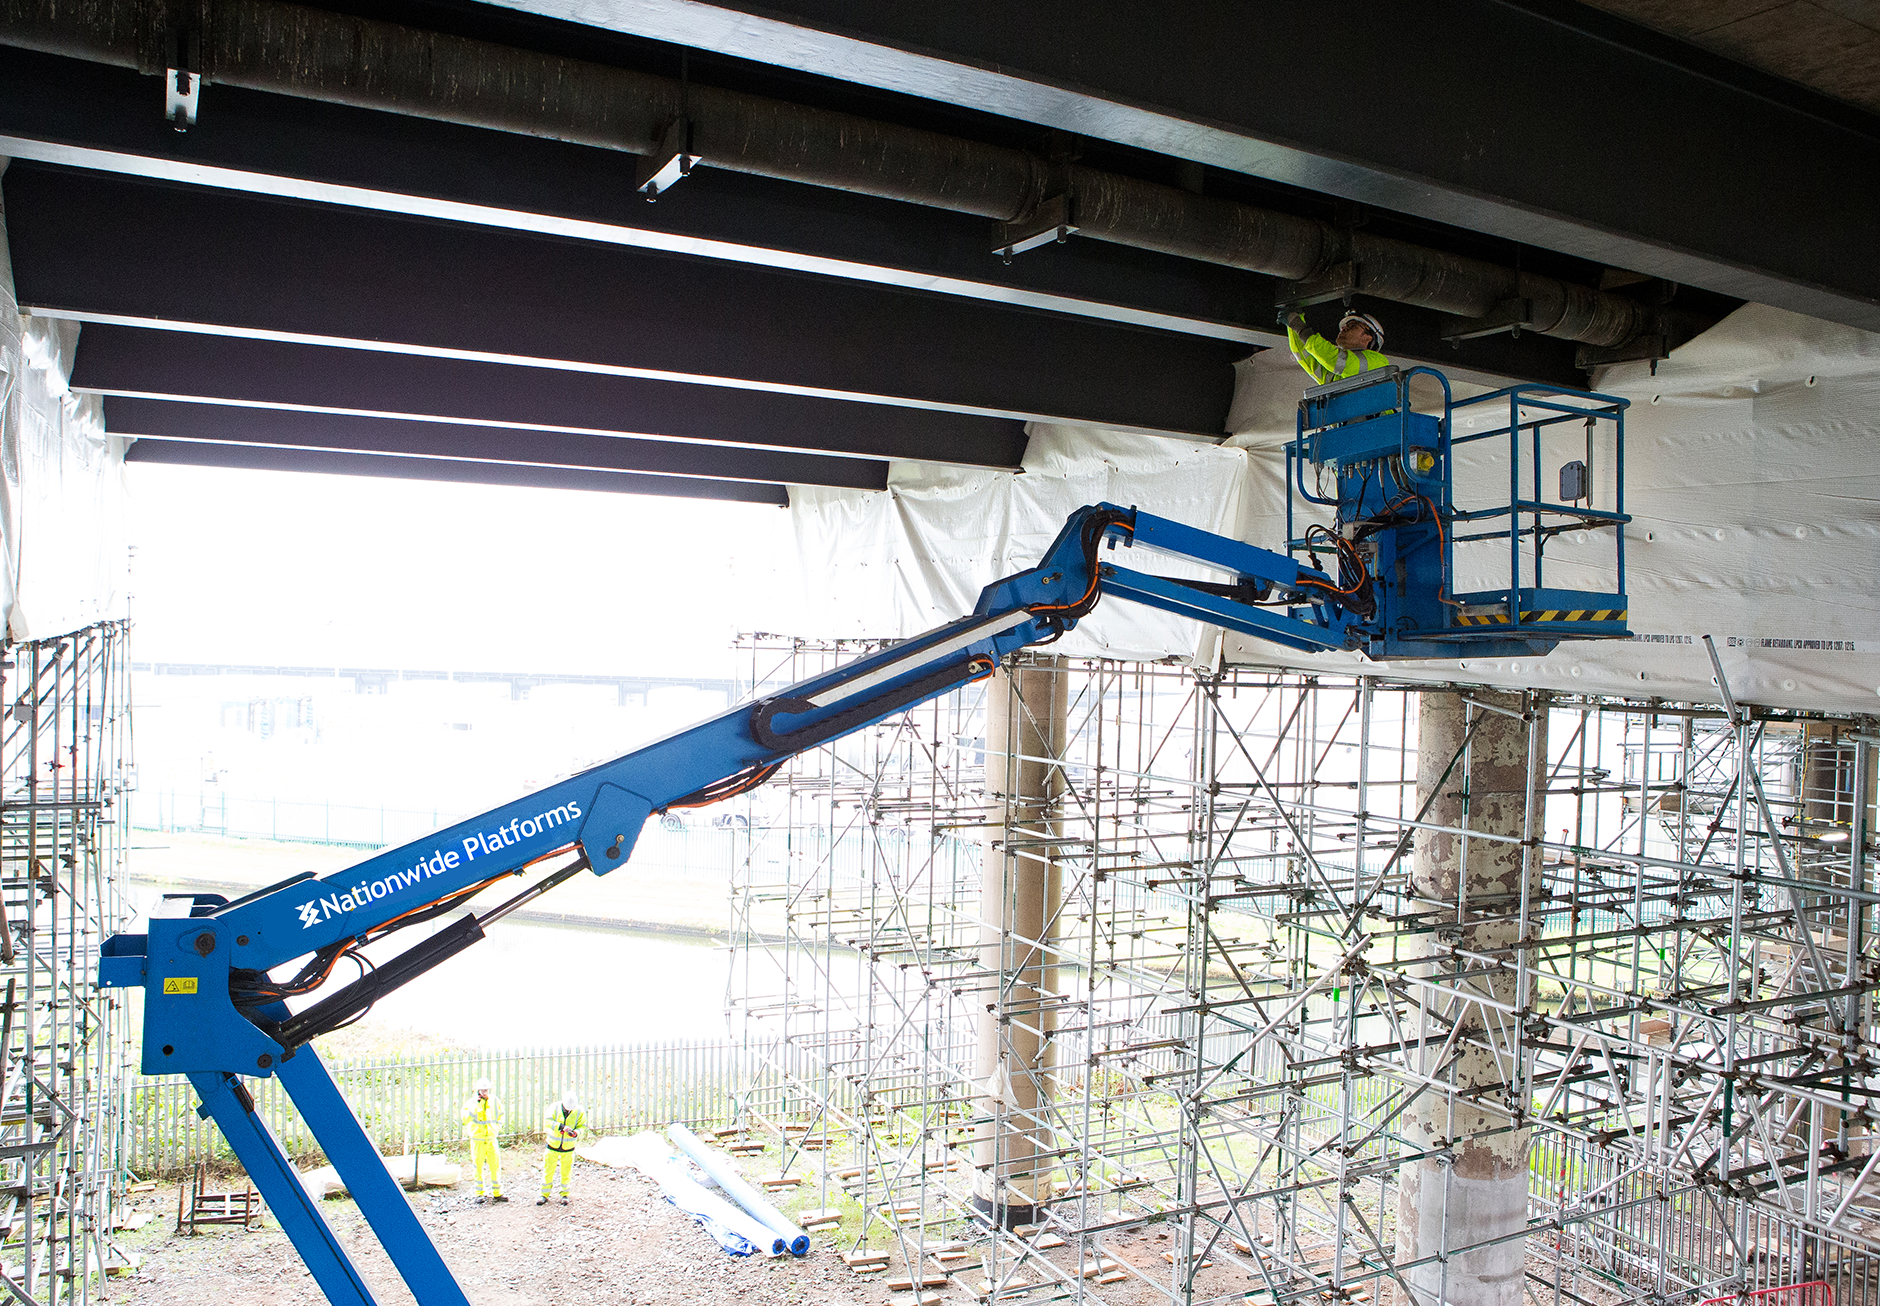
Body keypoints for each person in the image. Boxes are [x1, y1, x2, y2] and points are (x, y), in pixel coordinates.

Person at [1285, 309, 1389, 385]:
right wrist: (1294, 322)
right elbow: (1304, 353)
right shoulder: (1336, 374)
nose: (1344, 329)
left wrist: (1298, 326)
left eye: (1353, 326)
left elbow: (1337, 359)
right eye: (1345, 326)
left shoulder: (1378, 362)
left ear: (1369, 337)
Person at [462, 1077, 507, 1204]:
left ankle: (497, 1193)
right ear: (478, 1091)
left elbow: (501, 1115)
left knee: (495, 1166)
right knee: (478, 1166)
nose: (485, 1092)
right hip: (478, 1140)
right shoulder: (471, 1103)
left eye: (486, 1090)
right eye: (483, 1090)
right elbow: (465, 1119)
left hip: (491, 1139)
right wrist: (475, 1107)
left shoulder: (494, 1101)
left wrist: (496, 1128)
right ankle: (480, 1193)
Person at [539, 1089, 587, 1206]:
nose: (568, 1110)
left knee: (566, 1172)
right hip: (552, 1146)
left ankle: (565, 1194)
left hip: (568, 1147)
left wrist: (575, 1132)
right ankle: (544, 1194)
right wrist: (560, 1126)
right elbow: (547, 1122)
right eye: (566, 1108)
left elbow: (582, 1126)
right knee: (548, 1170)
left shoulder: (580, 1111)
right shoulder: (554, 1107)